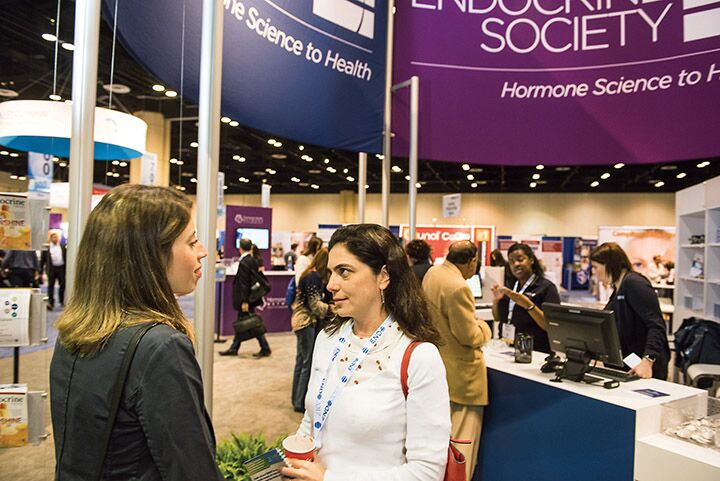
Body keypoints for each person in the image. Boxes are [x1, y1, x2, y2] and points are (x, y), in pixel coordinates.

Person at [49, 184, 223, 480]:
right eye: (192, 242)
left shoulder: (73, 333)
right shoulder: (161, 347)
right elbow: (192, 469)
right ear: (152, 257)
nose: (204, 251)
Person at [281, 224, 451, 481]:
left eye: (344, 272)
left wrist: (328, 479)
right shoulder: (328, 338)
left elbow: (426, 472)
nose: (330, 285)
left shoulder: (418, 357)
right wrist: (298, 456)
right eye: (330, 272)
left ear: (383, 276)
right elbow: (312, 418)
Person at [422, 240, 492, 480]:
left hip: (440, 370)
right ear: (472, 261)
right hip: (463, 379)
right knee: (462, 445)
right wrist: (484, 327)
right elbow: (469, 336)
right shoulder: (459, 287)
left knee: (442, 443)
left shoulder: (434, 273)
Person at [590, 242, 671, 379]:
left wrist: (648, 360)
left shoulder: (634, 283)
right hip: (629, 364)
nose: (594, 272)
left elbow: (656, 325)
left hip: (644, 367)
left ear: (609, 265)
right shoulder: (618, 287)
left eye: (595, 267)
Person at [491, 243, 560, 354]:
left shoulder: (546, 288)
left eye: (520, 259)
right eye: (512, 262)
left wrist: (528, 305)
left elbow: (551, 326)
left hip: (535, 351)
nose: (516, 264)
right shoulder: (509, 286)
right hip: (506, 349)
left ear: (531, 260)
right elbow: (497, 317)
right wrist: (496, 301)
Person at [291, 248, 332, 413]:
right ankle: (300, 402)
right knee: (307, 363)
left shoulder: (308, 275)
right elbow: (315, 305)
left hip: (300, 321)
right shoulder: (314, 278)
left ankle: (296, 398)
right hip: (306, 321)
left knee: (301, 361)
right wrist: (332, 308)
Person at [220, 238, 272, 357]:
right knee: (247, 322)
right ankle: (236, 347)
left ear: (240, 248)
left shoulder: (244, 262)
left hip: (246, 299)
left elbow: (244, 283)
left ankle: (263, 347)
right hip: (251, 297)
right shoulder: (253, 260)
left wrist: (244, 301)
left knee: (250, 323)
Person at [40, 231, 66, 310]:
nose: (55, 238)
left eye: (56, 237)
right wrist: (40, 271)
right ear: (51, 238)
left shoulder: (63, 247)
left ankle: (62, 301)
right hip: (51, 269)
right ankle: (51, 303)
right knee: (50, 286)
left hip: (61, 268)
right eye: (53, 237)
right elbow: (42, 260)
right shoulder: (47, 248)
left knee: (62, 285)